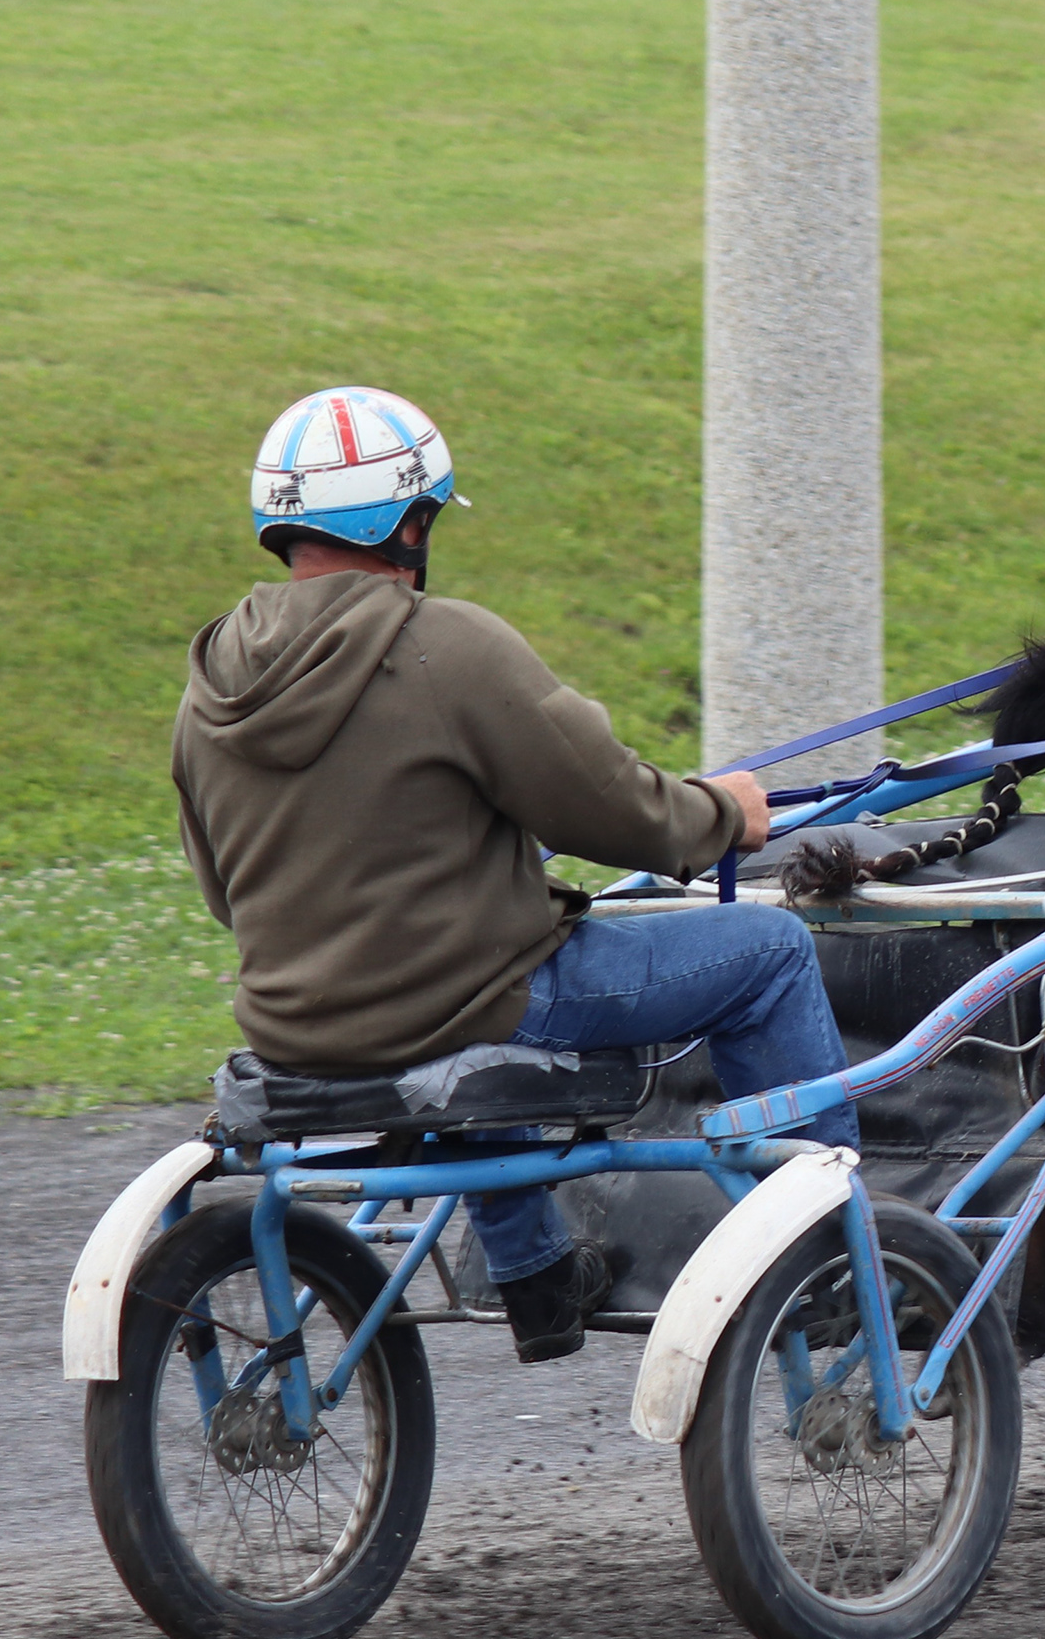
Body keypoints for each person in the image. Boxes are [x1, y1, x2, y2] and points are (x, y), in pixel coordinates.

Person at [172, 385, 861, 1363]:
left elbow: (224, 891)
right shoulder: (448, 648)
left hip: (292, 1027)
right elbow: (610, 806)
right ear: (409, 524)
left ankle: (538, 1276)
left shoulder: (211, 685)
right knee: (771, 952)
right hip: (466, 1007)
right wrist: (722, 816)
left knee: (455, 983)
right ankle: (830, 1260)